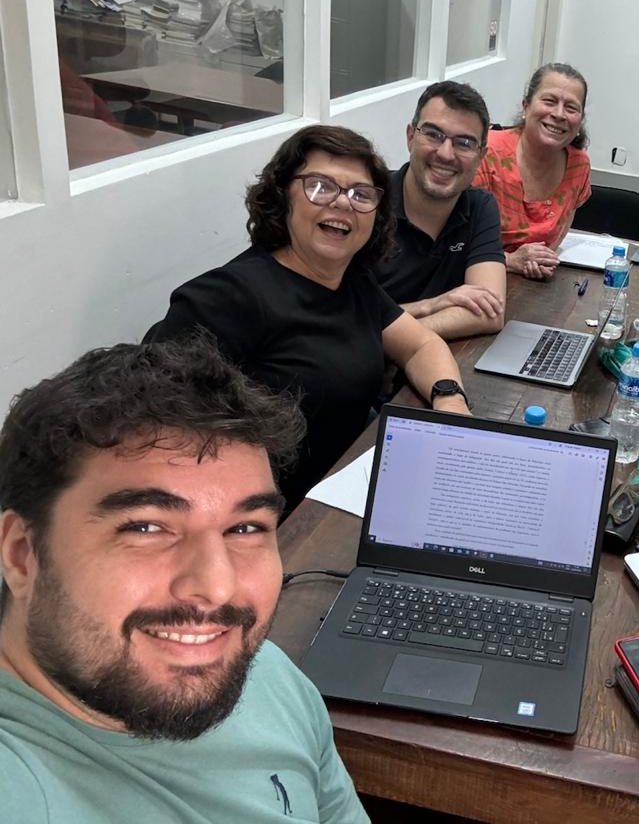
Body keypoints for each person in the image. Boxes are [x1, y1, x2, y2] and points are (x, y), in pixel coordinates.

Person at [0, 338, 370, 823]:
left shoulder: (265, 675)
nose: (217, 588)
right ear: (22, 554)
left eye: (245, 528)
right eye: (145, 528)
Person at [146, 124, 470, 511]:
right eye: (320, 186)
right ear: (283, 196)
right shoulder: (225, 298)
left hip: (348, 484)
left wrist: (450, 401)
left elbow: (420, 345)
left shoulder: (352, 281)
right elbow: (161, 443)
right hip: (280, 519)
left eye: (361, 194)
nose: (344, 203)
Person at [374, 81, 506, 339]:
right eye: (433, 135)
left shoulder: (480, 207)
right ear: (411, 137)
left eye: (464, 143)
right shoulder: (368, 203)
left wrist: (392, 336)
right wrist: (432, 305)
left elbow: (491, 312)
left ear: (481, 156)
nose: (446, 154)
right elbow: (344, 320)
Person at [473, 62, 591, 280]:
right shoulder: (486, 154)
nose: (559, 114)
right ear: (526, 106)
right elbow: (455, 244)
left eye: (571, 108)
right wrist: (511, 260)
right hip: (474, 279)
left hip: (533, 285)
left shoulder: (579, 166)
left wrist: (536, 263)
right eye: (549, 101)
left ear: (580, 120)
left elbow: (553, 244)